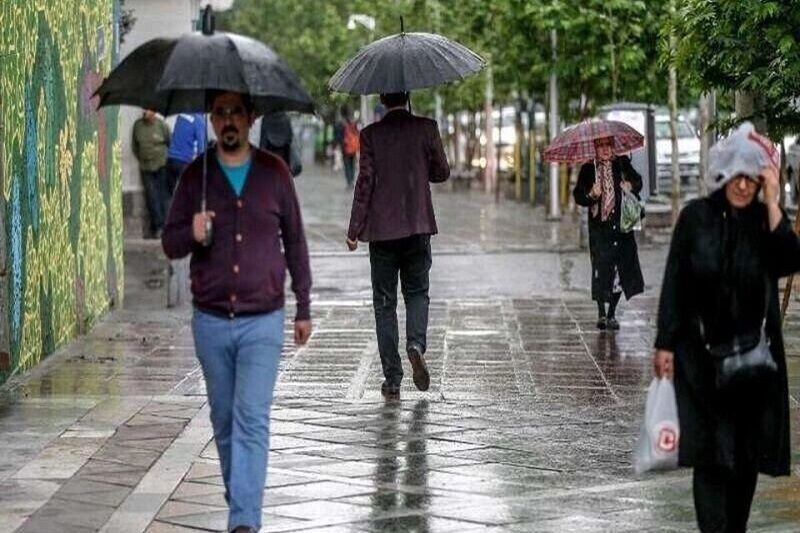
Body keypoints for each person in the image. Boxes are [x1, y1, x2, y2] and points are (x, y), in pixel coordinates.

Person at [162, 91, 312, 533]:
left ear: (250, 119)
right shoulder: (195, 177)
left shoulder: (274, 173)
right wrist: (190, 232)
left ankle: (244, 520)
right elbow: (171, 243)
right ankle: (241, 498)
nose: (228, 121)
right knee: (224, 420)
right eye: (220, 113)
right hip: (210, 322)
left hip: (263, 320)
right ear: (212, 121)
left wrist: (303, 304)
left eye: (236, 113)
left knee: (252, 418)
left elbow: (297, 241)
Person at [653, 122, 800, 532]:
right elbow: (674, 282)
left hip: (755, 361)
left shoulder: (763, 221)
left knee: (746, 458)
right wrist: (664, 343)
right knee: (712, 457)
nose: (743, 185)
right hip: (702, 358)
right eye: (737, 175)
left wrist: (774, 203)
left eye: (752, 177)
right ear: (723, 174)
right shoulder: (696, 218)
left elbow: (790, 259)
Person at [346, 92, 450, 400]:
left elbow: (364, 183)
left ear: (382, 98)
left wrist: (354, 229)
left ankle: (392, 379)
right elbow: (442, 172)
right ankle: (416, 345)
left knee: (385, 303)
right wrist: (422, 162)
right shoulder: (426, 128)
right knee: (417, 293)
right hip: (418, 227)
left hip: (382, 232)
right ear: (407, 96)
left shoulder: (370, 135)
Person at [572, 137, 644, 330]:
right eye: (601, 146)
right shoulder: (589, 168)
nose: (605, 150)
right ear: (596, 148)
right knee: (601, 270)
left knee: (620, 272)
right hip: (600, 229)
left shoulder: (622, 163)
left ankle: (612, 313)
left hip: (621, 228)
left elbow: (638, 181)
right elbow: (578, 195)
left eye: (608, 146)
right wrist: (592, 195)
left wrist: (630, 185)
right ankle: (601, 313)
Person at [132, 109, 171, 238]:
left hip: (161, 164)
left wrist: (162, 156)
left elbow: (169, 141)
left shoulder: (161, 125)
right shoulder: (138, 126)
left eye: (149, 110)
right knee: (151, 197)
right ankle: (158, 226)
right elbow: (135, 146)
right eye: (144, 110)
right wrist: (142, 158)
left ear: (154, 112)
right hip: (145, 166)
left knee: (162, 195)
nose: (145, 112)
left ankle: (165, 226)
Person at [166, 113, 207, 195]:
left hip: (170, 158)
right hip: (184, 160)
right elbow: (201, 146)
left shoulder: (181, 116)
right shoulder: (198, 119)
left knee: (170, 193)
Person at [259, 111, 302, 176]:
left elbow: (263, 140)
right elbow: (290, 138)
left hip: (270, 154)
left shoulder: (266, 119)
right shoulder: (286, 119)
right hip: (283, 154)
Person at [335, 106, 359, 187]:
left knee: (347, 165)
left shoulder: (340, 124)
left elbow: (338, 137)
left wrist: (338, 144)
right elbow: (357, 134)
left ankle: (349, 181)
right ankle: (351, 180)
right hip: (353, 147)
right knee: (352, 164)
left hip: (345, 148)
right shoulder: (352, 123)